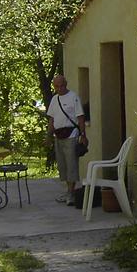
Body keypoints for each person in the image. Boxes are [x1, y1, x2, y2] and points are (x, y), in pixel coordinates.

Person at [47, 74, 87, 205]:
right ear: (54, 87)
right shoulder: (54, 99)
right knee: (62, 165)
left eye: (62, 85)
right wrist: (48, 136)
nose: (60, 88)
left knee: (71, 164)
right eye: (57, 86)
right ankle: (68, 191)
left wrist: (83, 135)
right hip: (58, 136)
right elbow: (51, 119)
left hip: (71, 135)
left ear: (66, 84)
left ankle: (71, 193)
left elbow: (80, 117)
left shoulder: (73, 97)